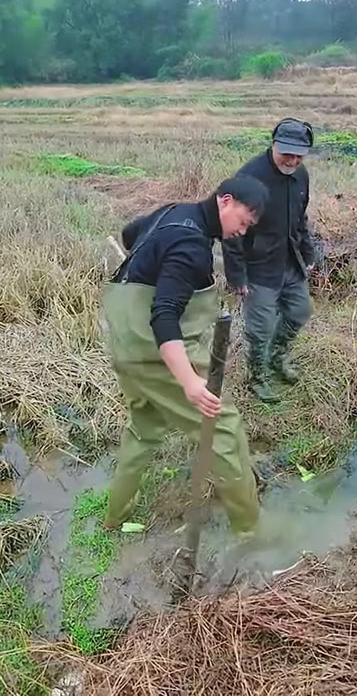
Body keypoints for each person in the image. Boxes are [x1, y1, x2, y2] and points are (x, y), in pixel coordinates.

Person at [103, 175, 269, 535]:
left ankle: (115, 515)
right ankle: (251, 531)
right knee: (224, 430)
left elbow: (130, 234)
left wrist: (152, 263)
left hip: (124, 344)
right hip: (152, 353)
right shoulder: (192, 246)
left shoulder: (175, 212)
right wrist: (190, 382)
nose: (242, 231)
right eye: (243, 221)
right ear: (226, 201)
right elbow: (164, 317)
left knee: (144, 429)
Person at [222, 118, 325, 402]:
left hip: (289, 259)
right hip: (258, 266)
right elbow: (230, 230)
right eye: (287, 153)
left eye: (299, 155)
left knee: (299, 311)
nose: (292, 161)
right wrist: (236, 275)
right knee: (261, 327)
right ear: (274, 145)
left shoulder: (300, 175)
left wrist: (307, 252)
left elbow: (299, 218)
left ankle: (278, 358)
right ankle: (257, 377)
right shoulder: (248, 179)